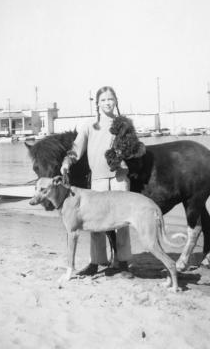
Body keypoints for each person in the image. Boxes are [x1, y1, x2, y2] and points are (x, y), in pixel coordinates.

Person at [60, 86, 133, 278]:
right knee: (94, 222)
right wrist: (67, 162)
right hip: (98, 181)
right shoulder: (89, 125)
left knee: (122, 222)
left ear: (116, 101)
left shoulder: (124, 124)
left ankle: (123, 263)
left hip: (119, 179)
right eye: (103, 100)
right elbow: (76, 149)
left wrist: (124, 159)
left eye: (111, 99)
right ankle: (96, 262)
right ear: (97, 103)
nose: (107, 103)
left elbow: (133, 148)